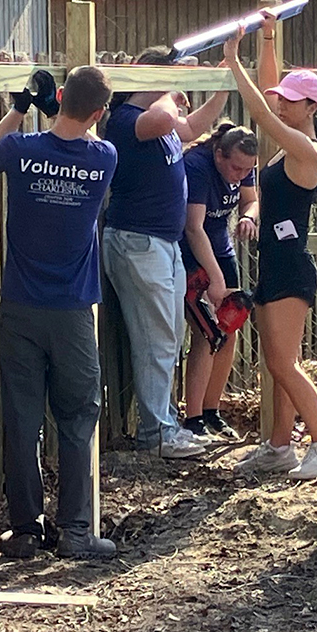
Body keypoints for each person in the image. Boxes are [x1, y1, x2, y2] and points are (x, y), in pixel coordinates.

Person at [0, 65, 118, 559]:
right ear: (99, 112)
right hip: (73, 311)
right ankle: (77, 531)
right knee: (78, 418)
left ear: (59, 95)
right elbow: (82, 129)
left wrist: (20, 107)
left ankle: (25, 532)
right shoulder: (104, 157)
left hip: (19, 305)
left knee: (21, 416)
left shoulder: (22, 150)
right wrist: (61, 108)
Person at [223, 17, 317, 479]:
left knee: (283, 363)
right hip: (274, 265)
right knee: (275, 364)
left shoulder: (306, 152)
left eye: (291, 101)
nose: (280, 103)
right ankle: (279, 447)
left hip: (292, 270)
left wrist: (233, 60)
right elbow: (270, 89)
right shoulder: (290, 140)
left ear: (311, 108)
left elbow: (259, 110)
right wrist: (268, 35)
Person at [102, 46, 229, 459]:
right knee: (158, 339)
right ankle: (157, 431)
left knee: (168, 337)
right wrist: (169, 82)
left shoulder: (164, 119)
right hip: (138, 241)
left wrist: (220, 88)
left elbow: (190, 127)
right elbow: (163, 118)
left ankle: (163, 423)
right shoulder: (125, 120)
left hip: (162, 242)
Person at [180, 122, 259, 442]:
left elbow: (251, 199)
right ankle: (194, 417)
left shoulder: (244, 165)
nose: (240, 175)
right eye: (235, 168)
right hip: (192, 256)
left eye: (247, 170)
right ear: (218, 154)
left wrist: (248, 216)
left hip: (222, 251)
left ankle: (213, 411)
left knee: (229, 328)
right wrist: (214, 278)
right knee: (207, 333)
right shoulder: (196, 167)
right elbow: (193, 228)